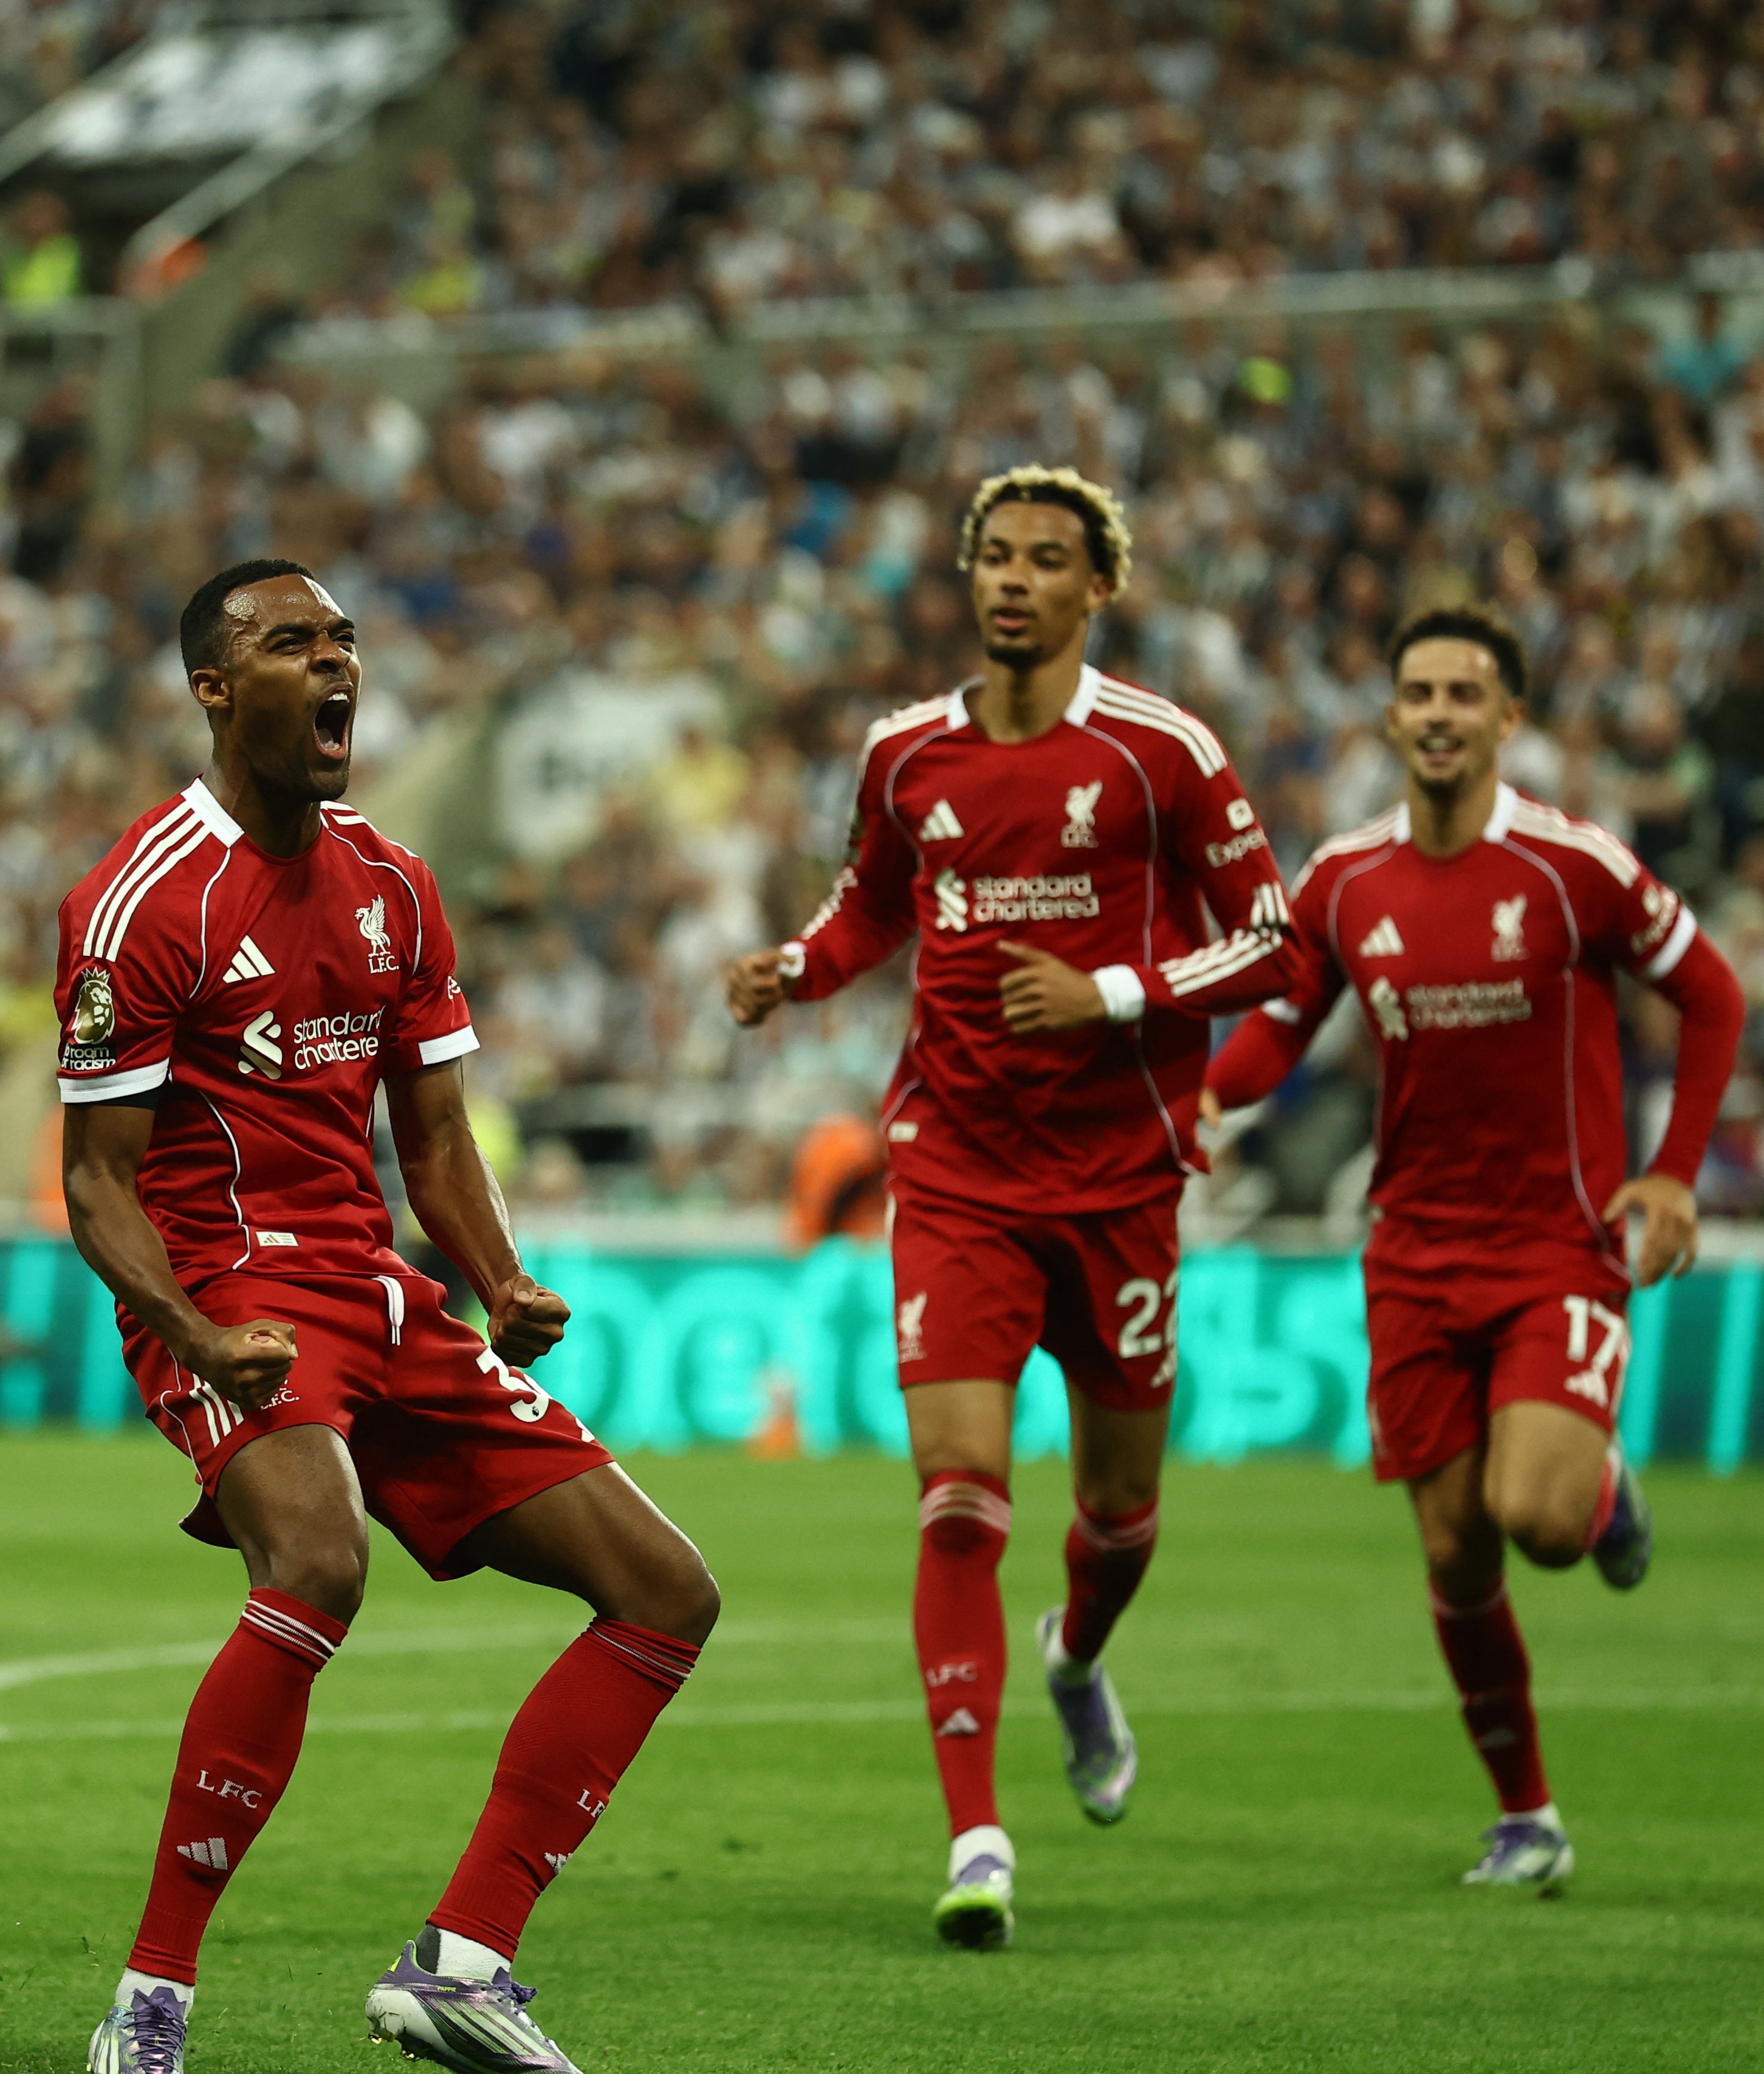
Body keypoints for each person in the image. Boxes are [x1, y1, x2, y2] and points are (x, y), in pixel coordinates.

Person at [62, 560, 721, 2074]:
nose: (334, 666)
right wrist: (194, 1332)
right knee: (317, 1563)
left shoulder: (396, 883)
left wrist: (495, 1282)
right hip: (227, 1287)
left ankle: (463, 1963)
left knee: (664, 1594)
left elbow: (433, 1134)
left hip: (373, 1291)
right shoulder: (143, 896)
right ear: (218, 690)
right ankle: (150, 1998)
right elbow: (94, 1185)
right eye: (292, 644)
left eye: (343, 642)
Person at [723, 467, 1299, 1948]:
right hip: (960, 1169)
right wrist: (795, 966)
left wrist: (1110, 992)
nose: (1015, 579)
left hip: (1121, 1180)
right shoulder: (906, 751)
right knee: (960, 1495)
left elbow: (1275, 943)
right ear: (968, 577)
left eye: (1048, 560)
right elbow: (869, 905)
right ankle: (976, 1832)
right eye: (995, 555)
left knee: (1114, 1513)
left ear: (1094, 590)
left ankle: (1077, 1653)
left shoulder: (1158, 752)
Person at [1204, 606, 1742, 1890]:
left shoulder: (1572, 867)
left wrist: (1668, 1174)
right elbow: (1282, 1025)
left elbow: (1710, 991)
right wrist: (1209, 1100)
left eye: (1464, 692)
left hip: (1554, 1244)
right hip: (1409, 1253)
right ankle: (1525, 1816)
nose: (1437, 712)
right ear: (1389, 717)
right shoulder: (1341, 879)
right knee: (1452, 1550)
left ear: (1507, 719)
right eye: (1417, 692)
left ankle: (1601, 1490)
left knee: (1539, 1521)